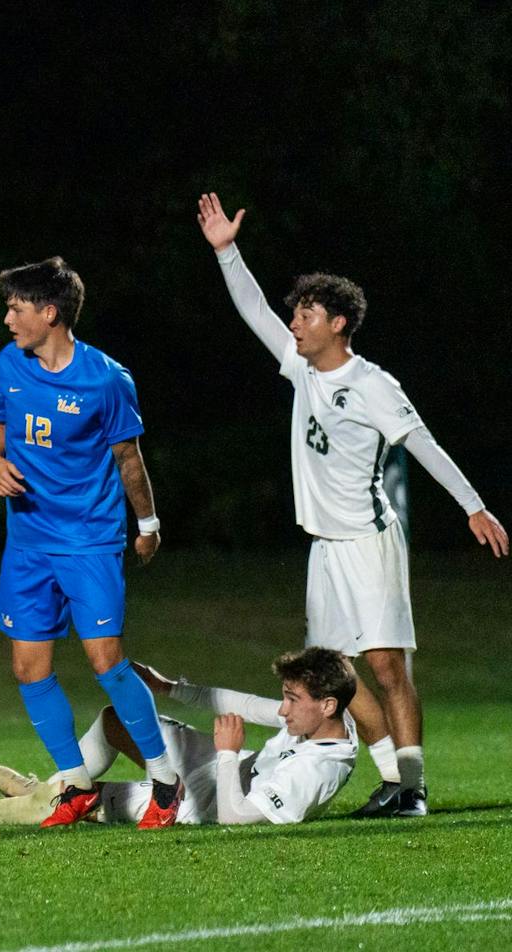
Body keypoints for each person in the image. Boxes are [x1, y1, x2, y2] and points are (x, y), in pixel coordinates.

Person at [196, 193, 507, 817]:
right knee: (332, 674)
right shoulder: (301, 368)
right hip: (325, 547)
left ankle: (413, 788)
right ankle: (392, 780)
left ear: (338, 324)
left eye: (307, 314)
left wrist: (474, 506)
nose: (294, 323)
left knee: (388, 666)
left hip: (368, 541)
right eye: (296, 313)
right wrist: (227, 252)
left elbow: (424, 445)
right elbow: (255, 311)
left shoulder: (372, 384)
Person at [0, 257, 180, 829]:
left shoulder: (106, 379)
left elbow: (128, 459)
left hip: (89, 541)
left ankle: (165, 781)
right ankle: (76, 783)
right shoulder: (8, 364)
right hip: (27, 544)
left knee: (106, 662)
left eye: (16, 309)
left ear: (49, 313)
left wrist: (147, 525)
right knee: (28, 667)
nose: (7, 320)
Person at [0, 648, 359, 827]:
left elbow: (236, 817)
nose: (281, 709)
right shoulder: (325, 721)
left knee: (68, 804)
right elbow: (247, 704)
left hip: (205, 802)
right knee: (119, 720)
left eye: (292, 700)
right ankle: (56, 784)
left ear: (327, 706)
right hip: (215, 763)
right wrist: (171, 688)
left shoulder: (316, 772)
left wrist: (228, 754)